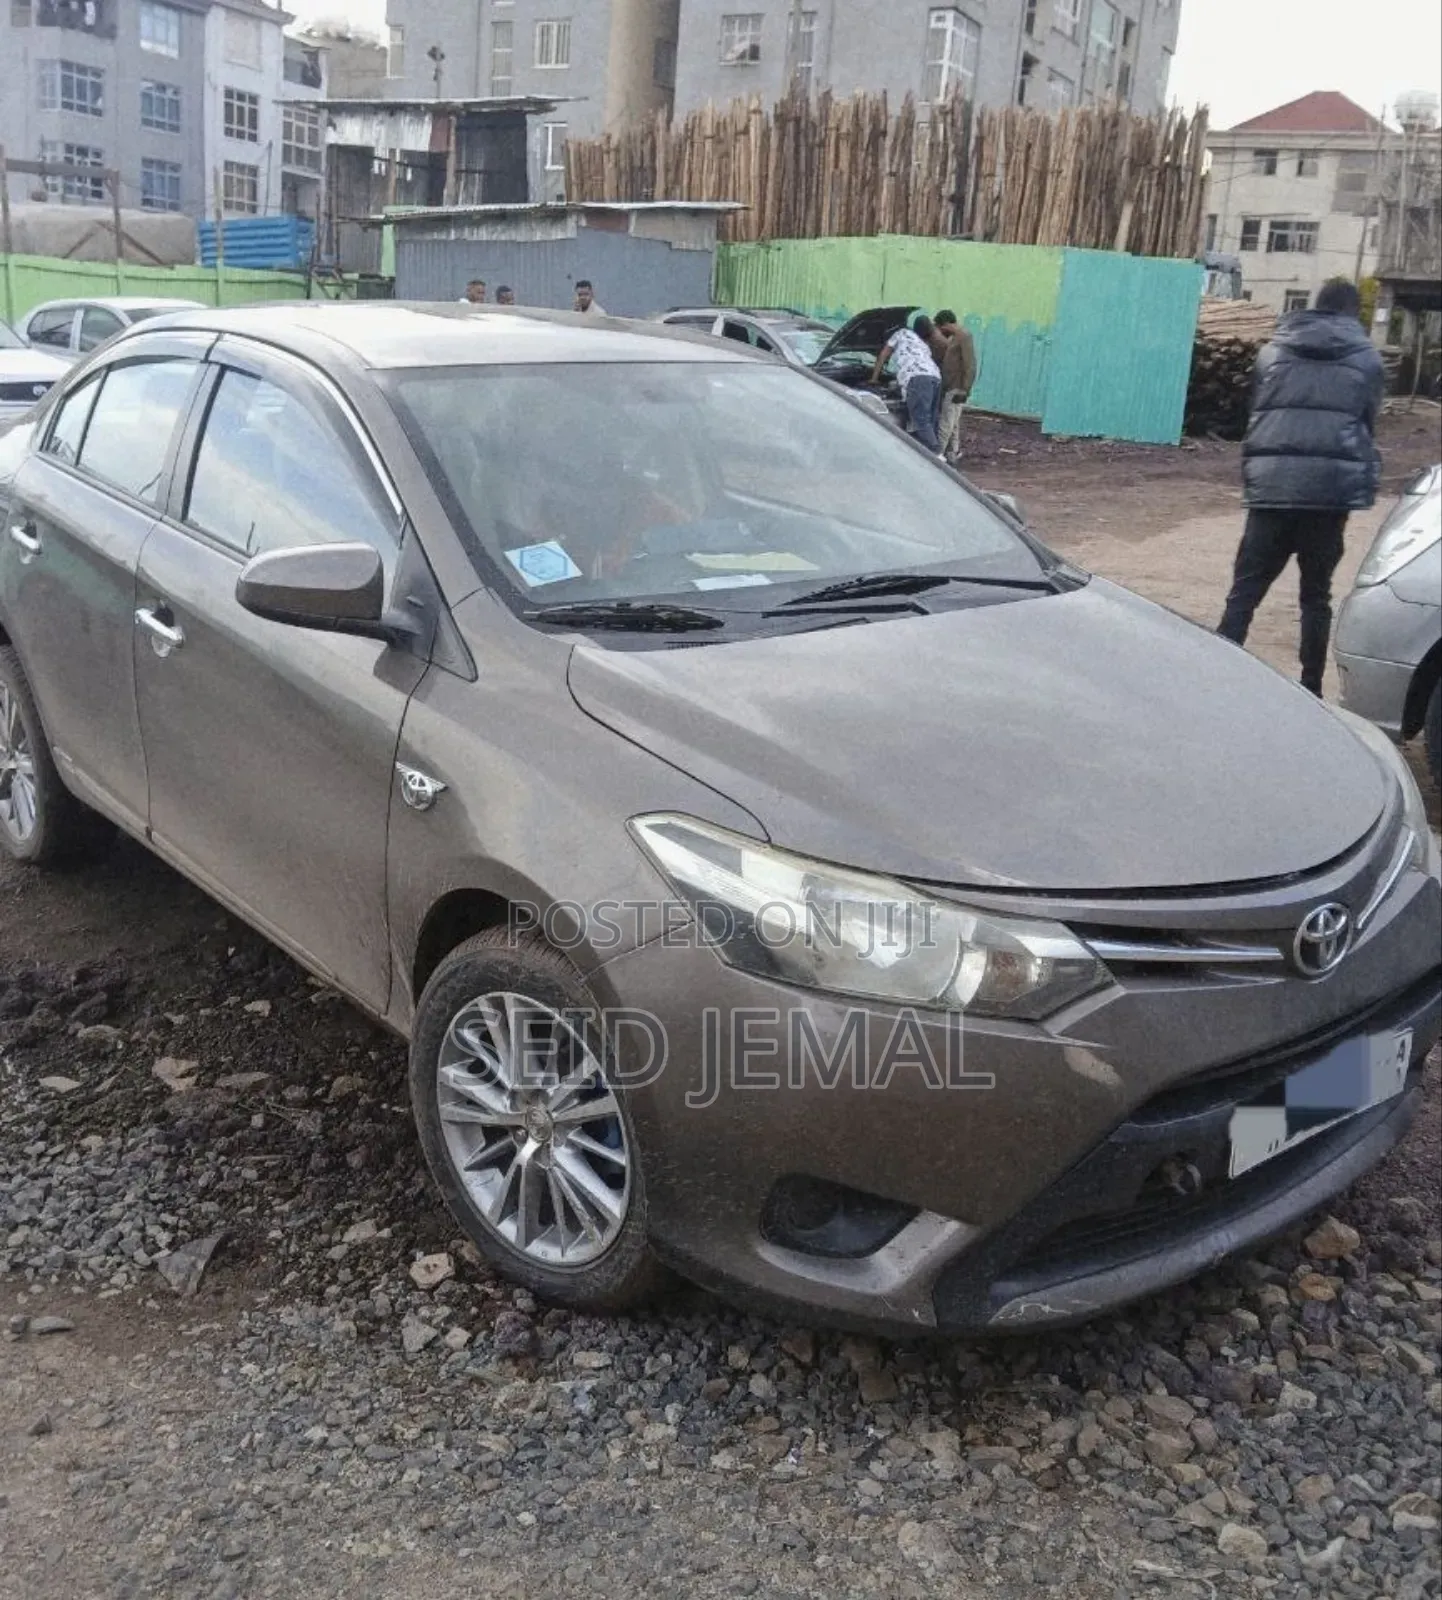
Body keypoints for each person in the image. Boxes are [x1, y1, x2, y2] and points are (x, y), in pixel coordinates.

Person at [1216, 278, 1384, 697]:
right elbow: (1366, 425)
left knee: (1244, 593)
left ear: (1315, 305)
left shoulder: (1272, 352)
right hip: (1328, 497)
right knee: (1316, 598)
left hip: (1272, 489)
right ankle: (1311, 689)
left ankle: (1214, 678)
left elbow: (1257, 413)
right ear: (1353, 312)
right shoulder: (1367, 359)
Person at [871, 313, 942, 453]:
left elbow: (883, 355)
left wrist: (874, 378)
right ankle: (925, 455)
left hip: (918, 378)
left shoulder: (901, 333)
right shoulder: (922, 344)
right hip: (935, 377)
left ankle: (937, 457)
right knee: (930, 422)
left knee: (921, 421)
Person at [934, 309, 978, 464]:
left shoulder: (964, 336)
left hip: (956, 386)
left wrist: (965, 389)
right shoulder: (956, 337)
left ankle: (936, 455)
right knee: (953, 424)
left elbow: (970, 365)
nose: (941, 332)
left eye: (940, 328)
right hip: (953, 386)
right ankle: (952, 454)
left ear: (946, 324)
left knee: (945, 423)